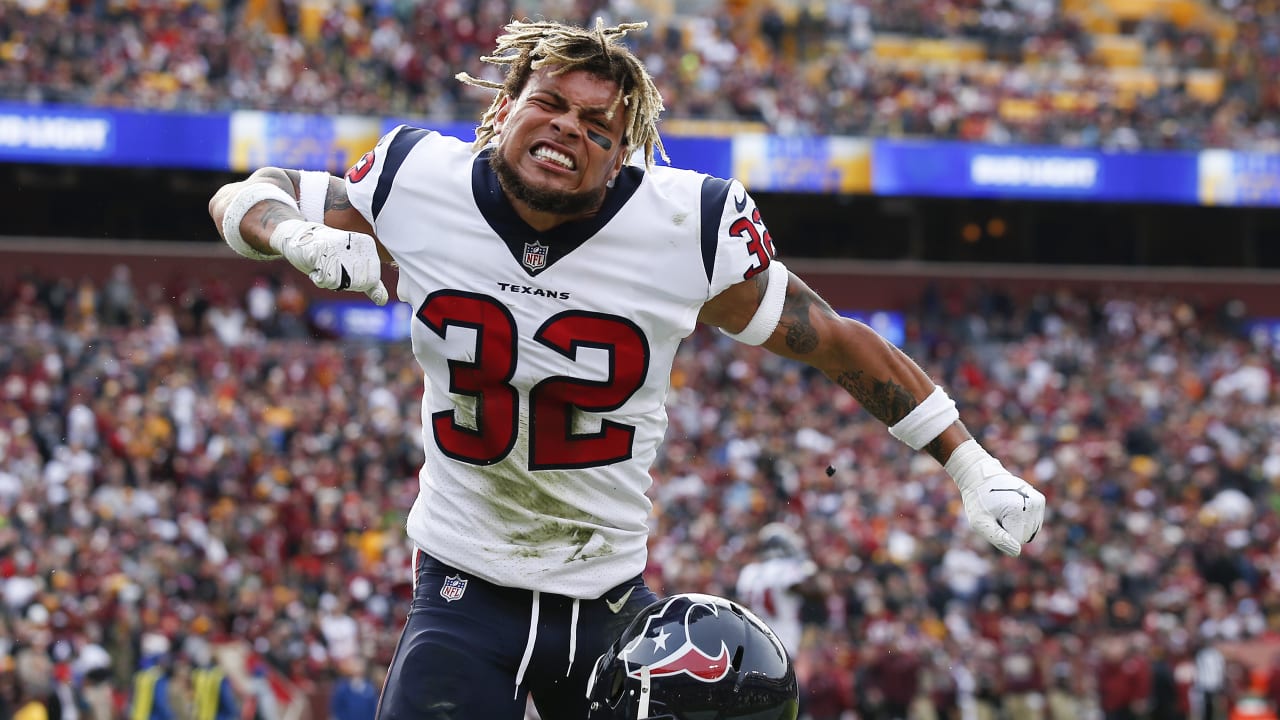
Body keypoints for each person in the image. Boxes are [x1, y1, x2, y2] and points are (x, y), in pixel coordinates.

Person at [207, 18, 1046, 720]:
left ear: (626, 157)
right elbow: (247, 192)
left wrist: (970, 463)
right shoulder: (417, 178)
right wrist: (294, 234)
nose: (570, 128)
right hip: (460, 588)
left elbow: (827, 336)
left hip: (609, 604)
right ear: (501, 111)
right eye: (552, 104)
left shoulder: (683, 227)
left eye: (598, 127)